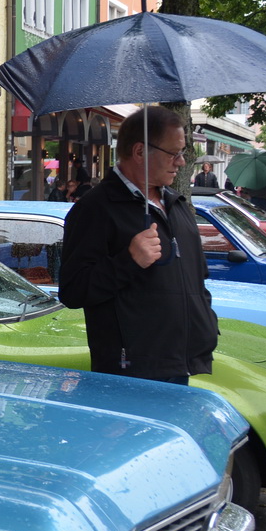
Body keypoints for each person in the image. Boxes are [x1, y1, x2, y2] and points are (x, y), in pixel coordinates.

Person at [59, 107, 219, 384]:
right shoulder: (95, 209)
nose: (181, 162)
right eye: (174, 153)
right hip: (130, 372)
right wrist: (128, 260)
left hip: (181, 364)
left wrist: (206, 326)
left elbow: (197, 280)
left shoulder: (177, 205)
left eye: (183, 153)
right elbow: (73, 292)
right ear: (140, 152)